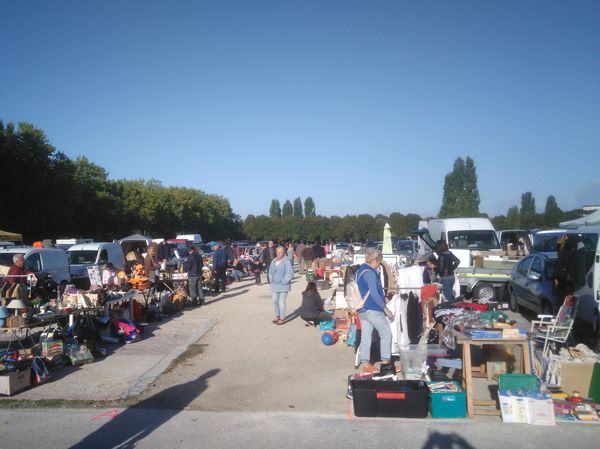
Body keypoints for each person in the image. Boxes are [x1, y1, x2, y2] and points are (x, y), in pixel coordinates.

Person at [356, 249, 394, 374]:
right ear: (375, 260)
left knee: (366, 337)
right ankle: (386, 364)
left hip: (362, 309)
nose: (380, 265)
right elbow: (374, 293)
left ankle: (366, 364)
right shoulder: (371, 273)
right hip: (373, 309)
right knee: (386, 334)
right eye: (380, 262)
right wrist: (385, 308)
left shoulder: (360, 270)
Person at [268, 246, 293, 325]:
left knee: (281, 301)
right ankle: (277, 315)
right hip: (275, 284)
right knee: (275, 300)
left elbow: (290, 273)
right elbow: (270, 271)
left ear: (284, 252)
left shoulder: (287, 261)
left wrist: (284, 281)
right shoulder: (273, 261)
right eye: (278, 252)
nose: (279, 253)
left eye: (281, 252)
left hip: (283, 285)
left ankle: (282, 318)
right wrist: (271, 279)